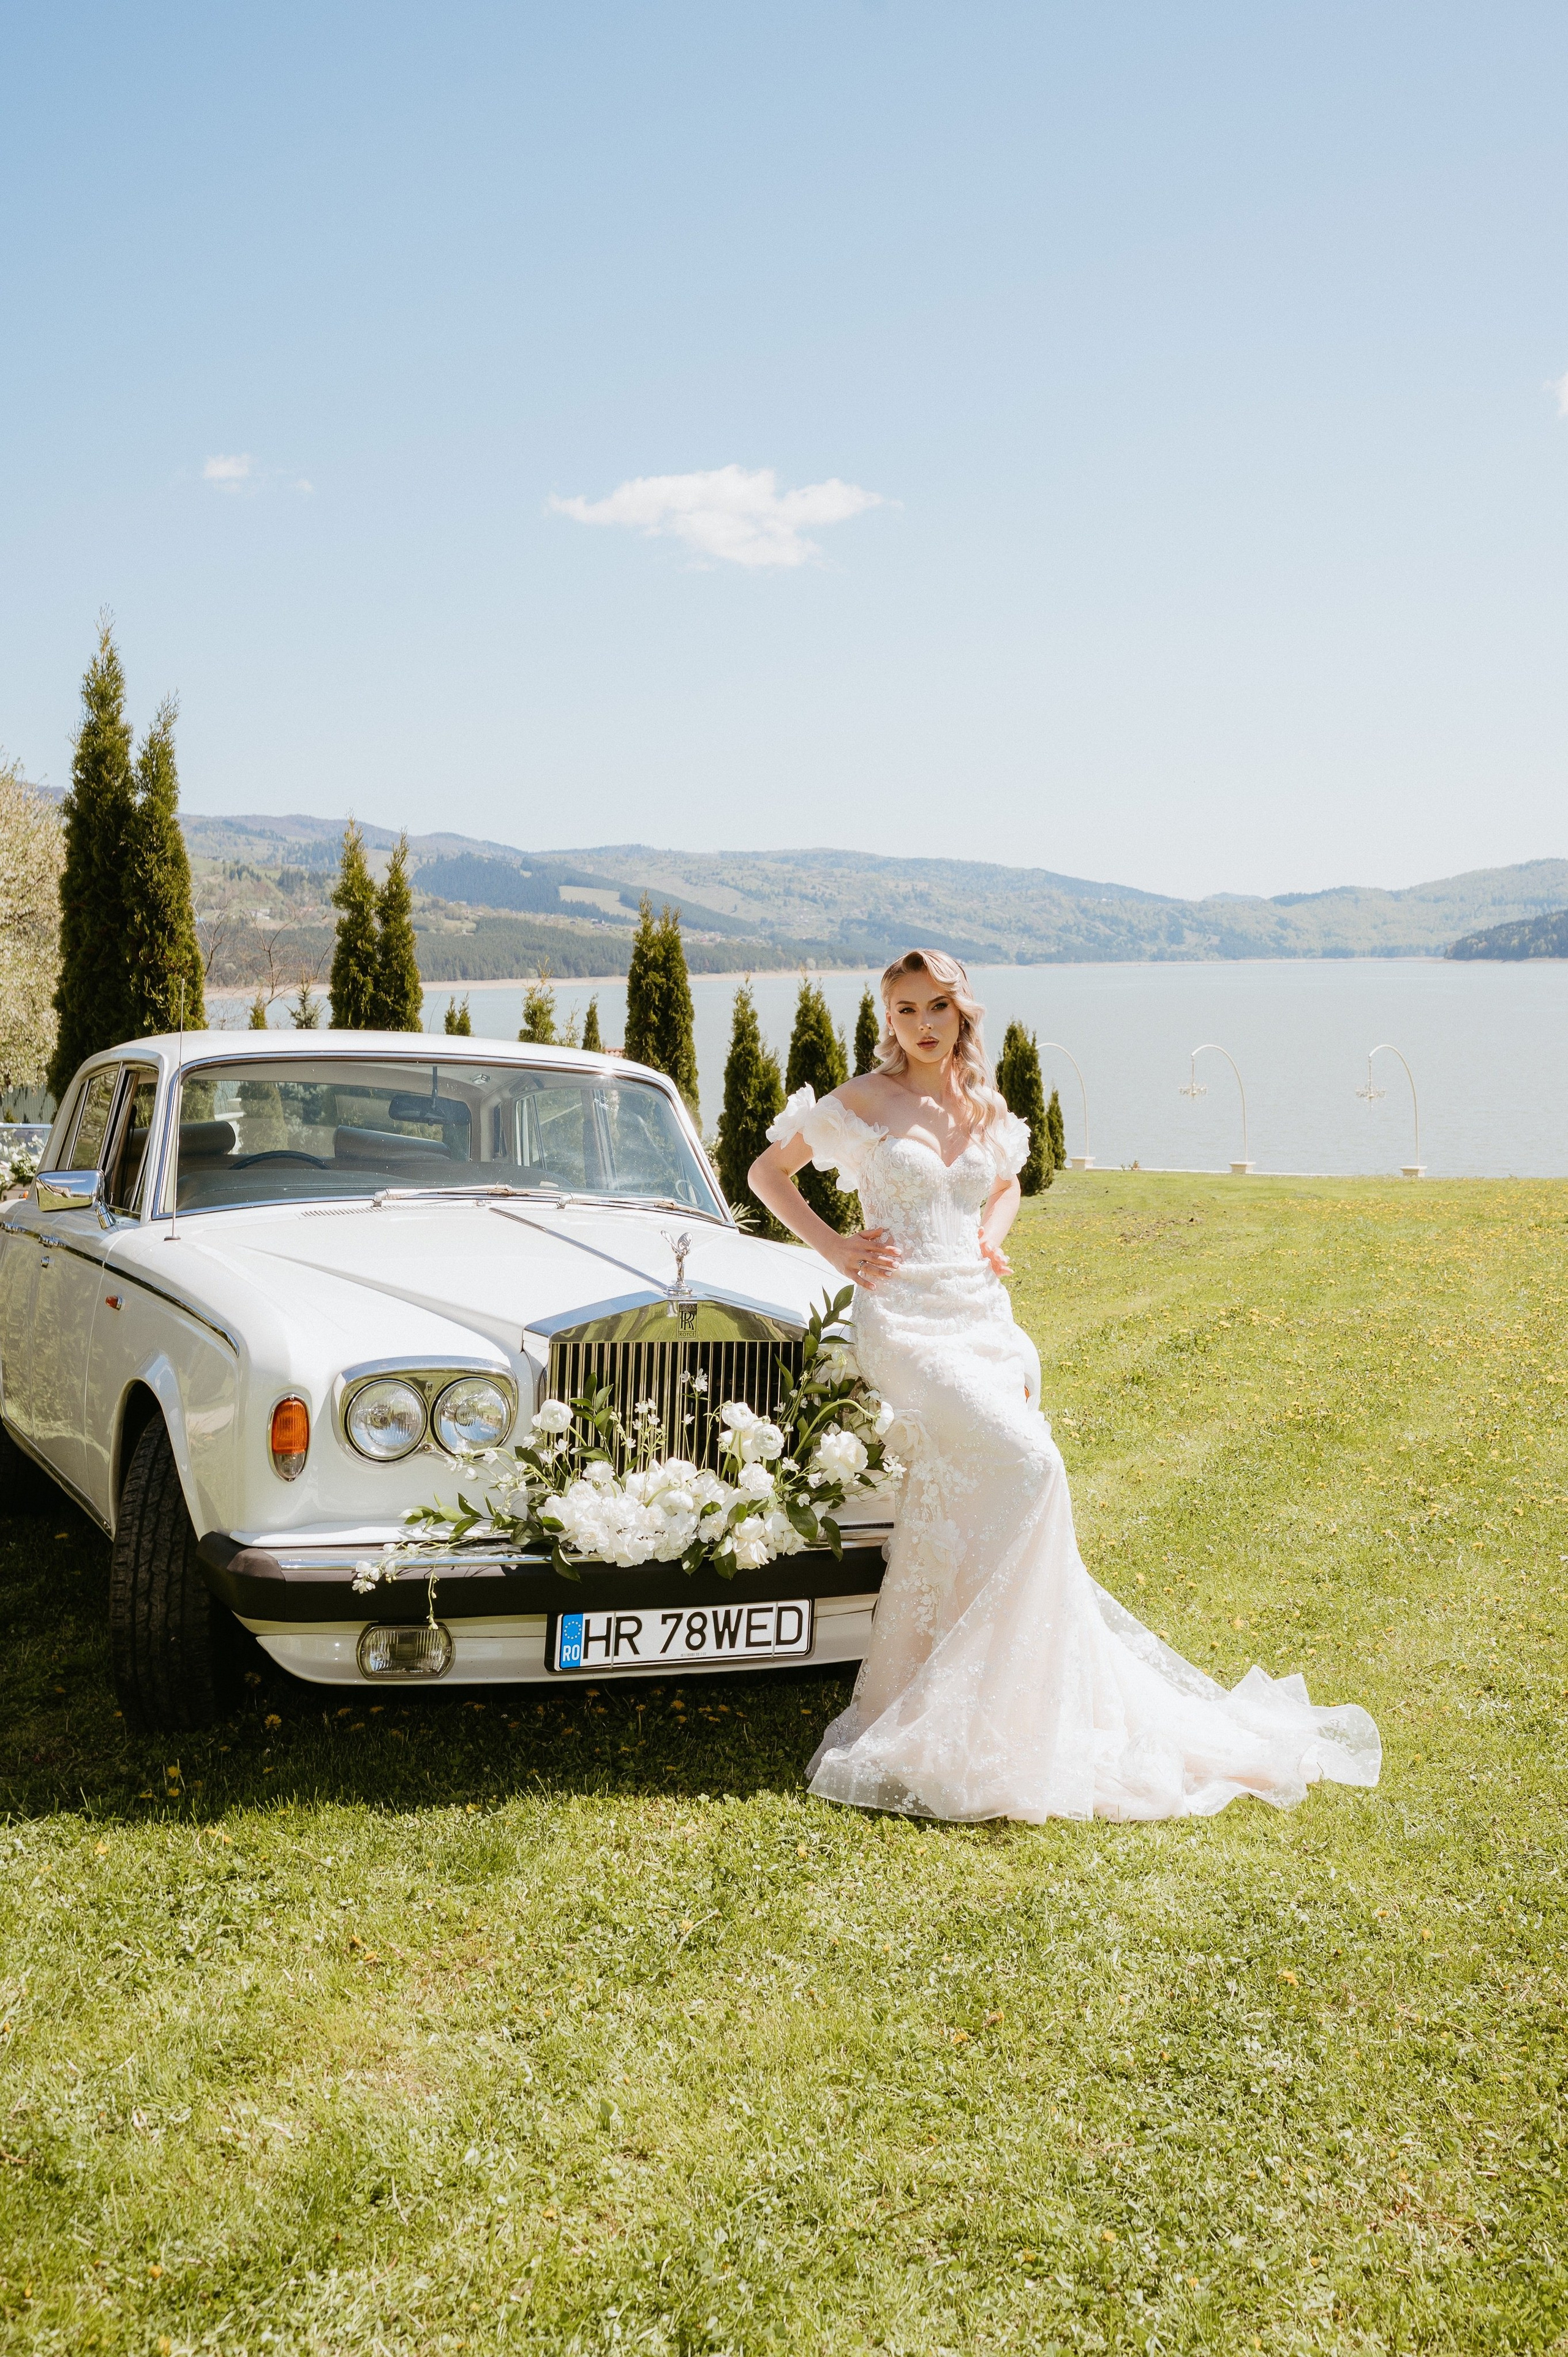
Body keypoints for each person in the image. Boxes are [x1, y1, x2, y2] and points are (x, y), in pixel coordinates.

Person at [748, 948, 1381, 1823]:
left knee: (996, 1480)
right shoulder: (861, 1103)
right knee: (1032, 1467)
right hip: (903, 1322)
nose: (921, 1025)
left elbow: (1002, 1185)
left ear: (961, 1013)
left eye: (936, 1007)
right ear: (886, 1019)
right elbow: (766, 1174)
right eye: (904, 1010)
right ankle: (974, 1694)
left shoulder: (985, 1106)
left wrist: (991, 1238)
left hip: (979, 1314)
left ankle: (1001, 1699)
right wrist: (836, 1247)